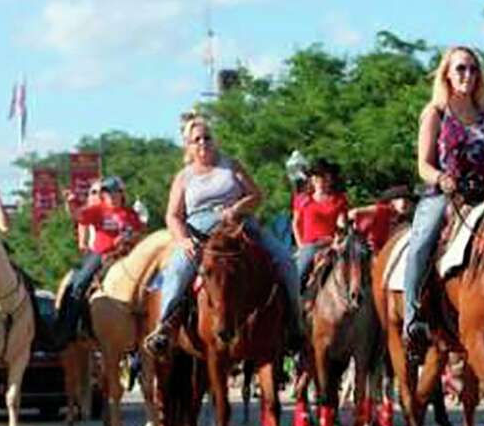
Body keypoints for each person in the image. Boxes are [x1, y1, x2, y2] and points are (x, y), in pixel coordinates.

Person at [143, 117, 306, 357]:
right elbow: (173, 215)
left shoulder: (231, 166)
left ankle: (294, 322)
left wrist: (236, 209)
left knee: (285, 260)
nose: (203, 143)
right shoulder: (184, 177)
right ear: (188, 145)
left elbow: (256, 196)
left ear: (214, 140)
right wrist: (183, 240)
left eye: (207, 137)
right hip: (199, 231)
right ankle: (164, 327)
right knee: (177, 271)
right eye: (196, 140)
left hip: (239, 226)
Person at [404, 46, 484, 348]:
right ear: (446, 73)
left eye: (473, 69)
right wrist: (442, 179)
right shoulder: (435, 112)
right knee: (421, 243)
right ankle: (413, 315)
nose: (468, 75)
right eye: (461, 68)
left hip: (483, 194)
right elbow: (423, 165)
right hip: (444, 194)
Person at [56, 175, 144, 342]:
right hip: (102, 254)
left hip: (127, 255)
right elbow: (77, 216)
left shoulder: (131, 214)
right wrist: (70, 203)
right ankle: (68, 328)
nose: (110, 196)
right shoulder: (98, 210)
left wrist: (129, 239)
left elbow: (139, 233)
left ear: (121, 193)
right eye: (107, 193)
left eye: (114, 192)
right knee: (80, 282)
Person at [293, 159, 348, 288]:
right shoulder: (302, 199)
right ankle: (293, 300)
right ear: (312, 180)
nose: (321, 182)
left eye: (325, 178)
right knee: (299, 273)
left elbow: (342, 223)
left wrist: (338, 237)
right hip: (310, 244)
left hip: (332, 243)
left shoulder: (339, 199)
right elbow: (295, 224)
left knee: (356, 263)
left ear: (330, 179)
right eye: (317, 178)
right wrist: (301, 246)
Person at [349, 185, 412, 253]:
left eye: (408, 201)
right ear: (392, 202)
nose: (405, 203)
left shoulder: (404, 221)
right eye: (401, 200)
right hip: (369, 249)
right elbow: (354, 212)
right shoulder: (383, 210)